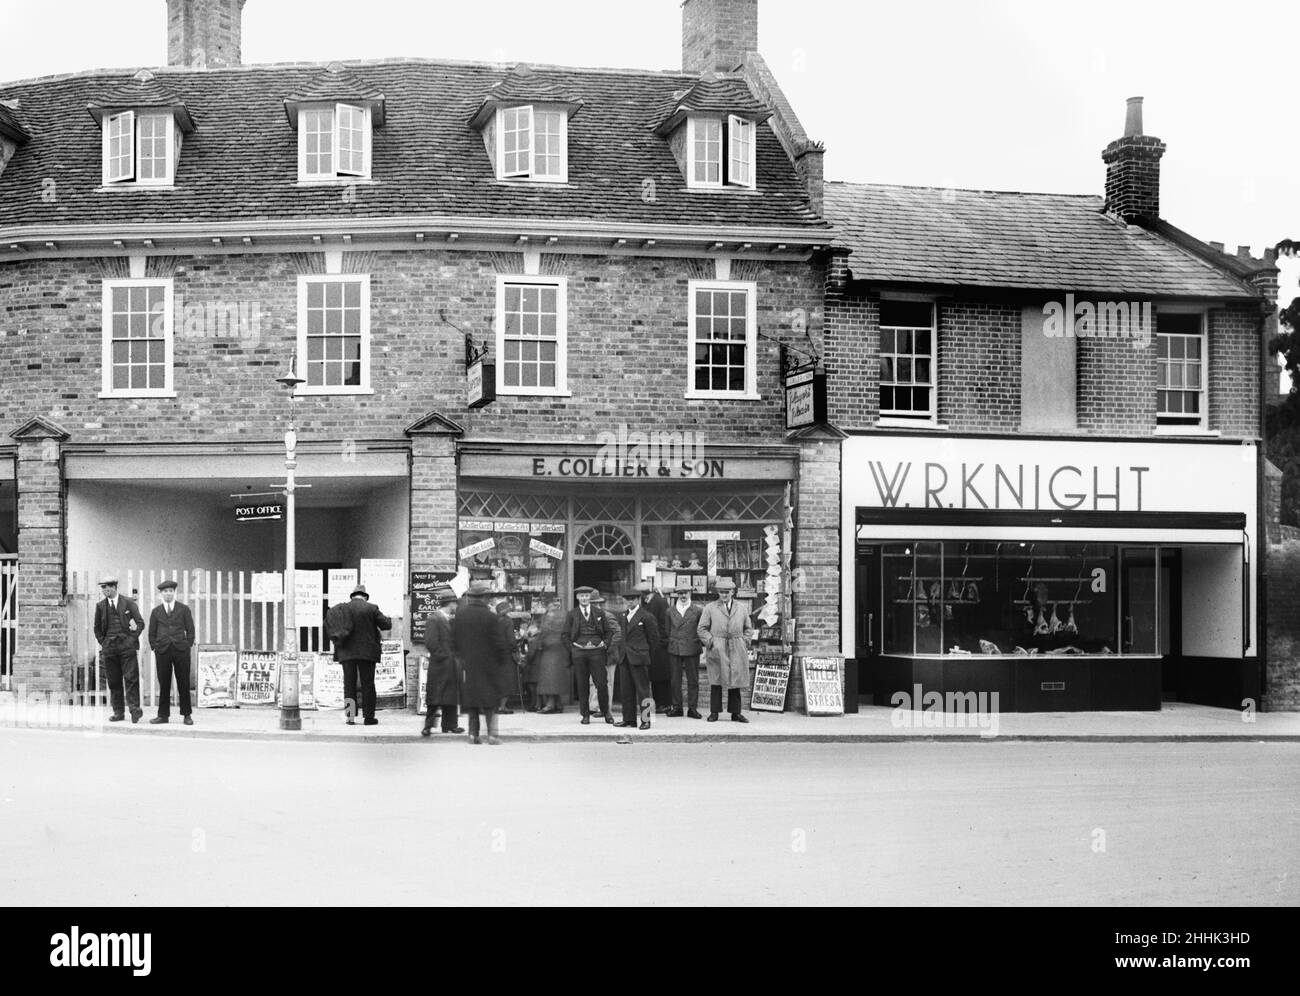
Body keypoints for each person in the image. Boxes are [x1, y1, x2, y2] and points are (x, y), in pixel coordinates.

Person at [455, 580, 512, 744]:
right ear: (484, 598)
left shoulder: (461, 615)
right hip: (489, 665)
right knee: (490, 701)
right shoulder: (490, 617)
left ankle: (473, 734)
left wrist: (462, 658)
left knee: (472, 701)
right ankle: (492, 735)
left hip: (469, 664)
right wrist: (501, 661)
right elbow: (499, 643)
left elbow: (455, 641)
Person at [333, 583, 392, 726]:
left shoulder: (344, 608)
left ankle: (350, 717)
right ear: (365, 597)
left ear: (352, 596)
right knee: (368, 685)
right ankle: (369, 717)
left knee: (349, 684)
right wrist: (387, 618)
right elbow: (386, 625)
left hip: (347, 652)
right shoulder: (371, 608)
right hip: (367, 653)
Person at [697, 577, 754, 723]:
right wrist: (711, 642)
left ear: (733, 592)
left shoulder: (741, 608)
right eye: (721, 592)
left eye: (727, 592)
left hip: (736, 646)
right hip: (718, 646)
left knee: (735, 680)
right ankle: (714, 712)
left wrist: (745, 641)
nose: (724, 595)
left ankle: (736, 713)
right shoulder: (710, 608)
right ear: (718, 593)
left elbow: (748, 628)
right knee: (716, 680)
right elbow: (702, 629)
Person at [93, 573, 146, 723]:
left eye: (109, 587)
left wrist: (131, 639)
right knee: (114, 681)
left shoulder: (128, 603)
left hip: (126, 647)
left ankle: (135, 710)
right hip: (109, 648)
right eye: (103, 587)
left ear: (115, 587)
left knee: (131, 678)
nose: (106, 590)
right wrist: (103, 642)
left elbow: (140, 623)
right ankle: (118, 712)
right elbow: (96, 628)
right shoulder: (100, 606)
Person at [563, 585, 616, 725]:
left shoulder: (599, 613)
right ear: (577, 598)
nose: (584, 598)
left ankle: (606, 713)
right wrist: (572, 648)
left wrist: (605, 644)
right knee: (582, 685)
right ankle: (585, 715)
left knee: (601, 684)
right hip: (579, 653)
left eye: (587, 596)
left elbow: (609, 632)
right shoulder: (572, 614)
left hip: (597, 653)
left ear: (590, 598)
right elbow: (565, 635)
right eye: (582, 596)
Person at [147, 578, 196, 725]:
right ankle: (163, 715)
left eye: (170, 591)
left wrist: (187, 645)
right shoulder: (156, 612)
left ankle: (187, 715)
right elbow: (151, 633)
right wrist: (155, 647)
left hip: (181, 650)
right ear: (161, 594)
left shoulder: (184, 609)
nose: (168, 594)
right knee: (164, 683)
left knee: (183, 682)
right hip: (163, 651)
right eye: (165, 591)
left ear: (174, 593)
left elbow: (191, 630)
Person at [615, 583, 659, 730]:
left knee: (643, 690)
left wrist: (647, 656)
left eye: (633, 599)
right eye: (627, 600)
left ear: (638, 600)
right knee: (626, 690)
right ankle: (629, 719)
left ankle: (646, 720)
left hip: (639, 658)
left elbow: (654, 640)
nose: (630, 602)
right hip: (625, 658)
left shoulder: (647, 616)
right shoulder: (623, 616)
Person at [421, 586, 464, 736]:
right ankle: (428, 726)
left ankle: (450, 725)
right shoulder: (434, 618)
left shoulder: (450, 620)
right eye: (455, 603)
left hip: (451, 664)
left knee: (451, 696)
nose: (457, 606)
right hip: (440, 664)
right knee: (435, 696)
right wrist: (443, 656)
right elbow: (430, 641)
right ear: (450, 604)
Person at [664, 584, 703, 718]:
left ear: (690, 593)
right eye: (680, 593)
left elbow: (701, 629)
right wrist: (673, 641)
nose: (683, 595)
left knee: (693, 680)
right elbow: (667, 630)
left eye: (686, 592)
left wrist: (696, 641)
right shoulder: (670, 611)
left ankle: (692, 708)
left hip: (692, 647)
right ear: (677, 594)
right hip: (675, 648)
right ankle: (677, 707)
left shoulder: (697, 610)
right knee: (675, 680)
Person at [528, 599, 569, 714]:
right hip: (560, 651)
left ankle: (550, 705)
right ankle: (558, 704)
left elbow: (543, 634)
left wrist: (535, 644)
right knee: (556, 679)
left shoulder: (549, 619)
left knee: (549, 679)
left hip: (549, 651)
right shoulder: (562, 617)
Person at [640, 581, 671, 712]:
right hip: (650, 645)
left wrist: (661, 641)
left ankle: (665, 704)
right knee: (654, 676)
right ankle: (658, 703)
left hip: (660, 645)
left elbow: (664, 623)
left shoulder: (661, 602)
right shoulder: (644, 602)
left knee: (662, 676)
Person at [493, 597, 519, 715]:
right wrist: (515, 650)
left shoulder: (492, 620)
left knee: (496, 680)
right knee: (507, 680)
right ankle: (502, 707)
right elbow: (511, 640)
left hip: (494, 655)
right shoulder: (507, 621)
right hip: (506, 654)